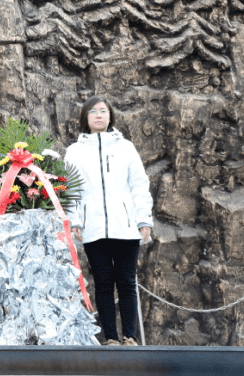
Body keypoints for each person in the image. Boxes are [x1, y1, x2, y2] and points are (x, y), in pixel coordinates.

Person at [65, 95, 153, 347]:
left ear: (110, 115)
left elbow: (138, 184)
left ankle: (130, 336)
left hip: (125, 227)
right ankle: (111, 337)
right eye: (93, 111)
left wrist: (144, 218)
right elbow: (71, 189)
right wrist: (75, 221)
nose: (99, 115)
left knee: (126, 282)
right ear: (86, 118)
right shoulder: (75, 151)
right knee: (103, 283)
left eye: (103, 111)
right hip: (93, 229)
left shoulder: (126, 148)